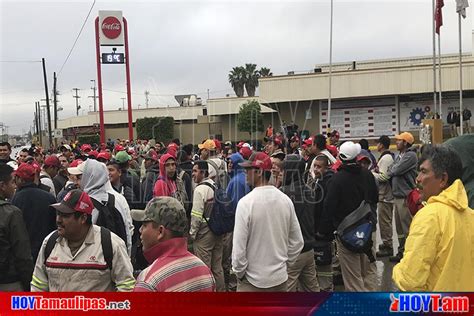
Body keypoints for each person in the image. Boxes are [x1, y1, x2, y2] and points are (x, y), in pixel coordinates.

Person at [392, 145, 474, 291]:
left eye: (423, 172)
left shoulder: (429, 216)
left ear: (443, 179)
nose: (417, 179)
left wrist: (398, 270)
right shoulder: (470, 215)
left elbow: (410, 281)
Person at [31, 189, 135, 292]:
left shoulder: (111, 244)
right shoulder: (50, 242)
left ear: (83, 218)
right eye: (58, 213)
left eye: (65, 215)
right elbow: (38, 286)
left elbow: (127, 286)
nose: (58, 220)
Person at [232, 152, 303, 292]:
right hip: (279, 280)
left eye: (248, 170)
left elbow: (238, 251)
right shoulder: (285, 200)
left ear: (258, 172)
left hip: (251, 283)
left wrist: (240, 273)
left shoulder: (246, 203)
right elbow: (297, 242)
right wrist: (284, 266)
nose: (245, 173)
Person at [317, 141, 378, 292]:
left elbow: (329, 208)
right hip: (367, 230)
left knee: (352, 277)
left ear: (340, 157)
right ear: (357, 157)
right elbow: (375, 199)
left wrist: (323, 232)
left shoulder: (337, 179)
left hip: (346, 233)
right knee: (368, 271)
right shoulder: (367, 174)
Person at [132, 196, 216, 292]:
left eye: (144, 225)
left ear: (160, 231)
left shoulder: (148, 281)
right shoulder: (204, 270)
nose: (140, 230)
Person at [68, 159, 134, 256]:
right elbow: (127, 234)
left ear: (90, 177)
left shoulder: (84, 204)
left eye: (79, 177)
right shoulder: (118, 199)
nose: (76, 182)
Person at [281, 155, 320, 292]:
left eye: (284, 169)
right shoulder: (310, 192)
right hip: (309, 249)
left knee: (287, 292)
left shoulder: (284, 194)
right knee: (312, 289)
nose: (281, 172)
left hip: (293, 252)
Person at [189, 160, 225, 292]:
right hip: (218, 231)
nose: (193, 174)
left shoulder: (199, 190)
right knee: (217, 267)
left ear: (203, 172)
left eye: (195, 171)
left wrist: (192, 234)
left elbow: (196, 216)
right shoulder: (215, 185)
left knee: (204, 270)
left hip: (204, 235)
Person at [11, 163, 57, 262]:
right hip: (46, 250)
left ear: (20, 179)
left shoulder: (14, 200)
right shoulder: (49, 198)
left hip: (23, 253)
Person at [0, 164, 34, 291]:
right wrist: (28, 283)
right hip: (8, 283)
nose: (14, 186)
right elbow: (23, 255)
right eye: (12, 182)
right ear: (2, 186)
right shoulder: (11, 213)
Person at [387, 132, 417, 262]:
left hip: (405, 196)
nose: (396, 142)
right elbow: (390, 168)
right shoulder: (400, 155)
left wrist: (392, 169)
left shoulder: (410, 155)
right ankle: (401, 251)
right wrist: (391, 169)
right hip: (397, 196)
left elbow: (395, 170)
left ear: (405, 143)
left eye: (399, 140)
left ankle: (410, 255)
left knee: (407, 228)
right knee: (399, 228)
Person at [308, 155, 335, 292]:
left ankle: (326, 289)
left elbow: (327, 209)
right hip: (318, 230)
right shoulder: (319, 181)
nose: (316, 169)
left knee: (325, 264)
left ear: (326, 167)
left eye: (319, 166)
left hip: (324, 232)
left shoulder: (328, 182)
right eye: (315, 166)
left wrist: (322, 231)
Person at [372, 136, 395, 257]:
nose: (377, 145)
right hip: (383, 195)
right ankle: (387, 242)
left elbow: (384, 177)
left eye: (378, 143)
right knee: (384, 221)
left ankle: (388, 246)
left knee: (384, 222)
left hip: (385, 196)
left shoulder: (386, 158)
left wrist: (371, 174)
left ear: (382, 145)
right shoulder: (385, 157)